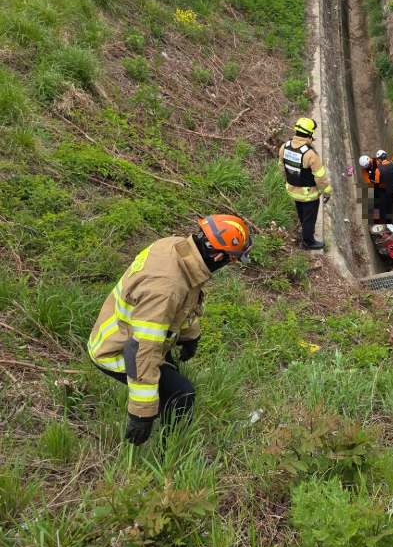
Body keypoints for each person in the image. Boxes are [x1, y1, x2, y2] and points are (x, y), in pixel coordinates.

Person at [88, 215, 252, 446]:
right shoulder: (166, 288)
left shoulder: (178, 249)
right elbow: (142, 350)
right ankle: (174, 454)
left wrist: (189, 334)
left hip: (127, 332)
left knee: (170, 380)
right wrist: (141, 413)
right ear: (218, 255)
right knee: (181, 394)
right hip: (116, 350)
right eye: (231, 260)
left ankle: (167, 420)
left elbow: (183, 302)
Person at [279, 117, 332, 250]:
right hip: (309, 194)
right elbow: (320, 177)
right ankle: (308, 241)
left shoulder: (284, 147)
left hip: (292, 190)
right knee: (310, 218)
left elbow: (282, 168)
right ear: (310, 134)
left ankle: (304, 230)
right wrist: (327, 192)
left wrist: (289, 181)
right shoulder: (310, 153)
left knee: (302, 213)